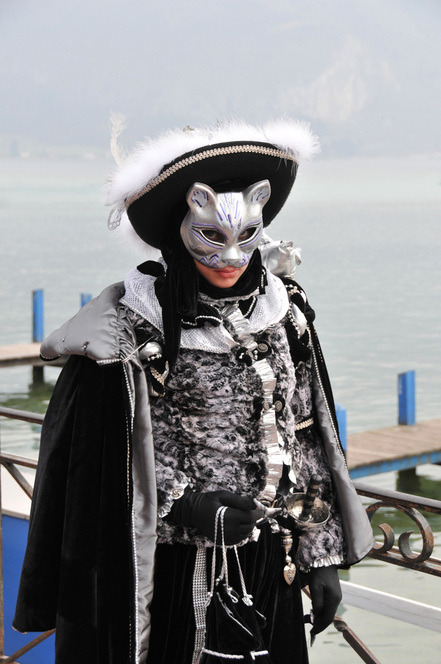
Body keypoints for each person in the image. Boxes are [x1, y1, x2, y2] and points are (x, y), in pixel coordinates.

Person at [13, 119, 374, 664]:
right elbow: (112, 457)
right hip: (171, 572)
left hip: (268, 563)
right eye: (212, 237)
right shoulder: (131, 330)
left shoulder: (282, 316)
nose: (231, 258)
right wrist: (188, 506)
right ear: (181, 228)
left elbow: (304, 435)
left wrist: (318, 553)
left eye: (245, 238)